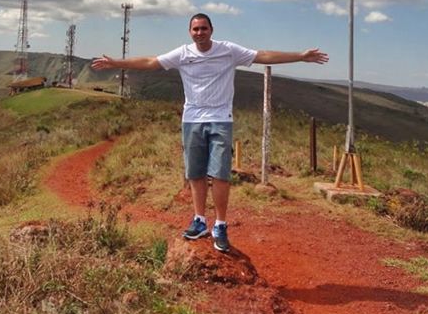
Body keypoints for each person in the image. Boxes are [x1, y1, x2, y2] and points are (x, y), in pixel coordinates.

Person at [91, 13, 328, 253]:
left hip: (220, 120)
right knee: (195, 173)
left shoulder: (228, 50)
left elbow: (262, 55)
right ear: (190, 32)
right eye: (195, 29)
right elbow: (152, 62)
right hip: (191, 120)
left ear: (211, 30)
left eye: (203, 28)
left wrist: (300, 56)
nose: (199, 33)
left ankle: (221, 225)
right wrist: (116, 63)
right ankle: (199, 220)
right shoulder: (183, 54)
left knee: (221, 174)